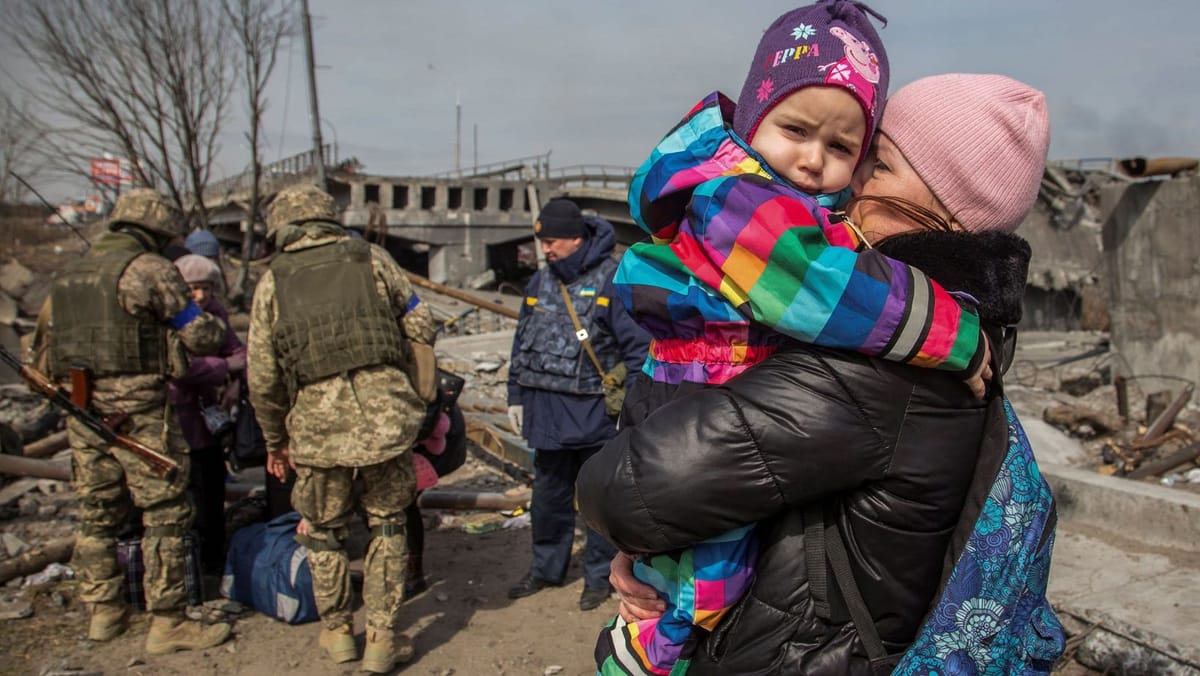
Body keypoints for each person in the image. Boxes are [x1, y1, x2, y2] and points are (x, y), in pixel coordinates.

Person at [578, 72, 1053, 675]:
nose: (846, 181)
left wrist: (641, 545)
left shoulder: (888, 363)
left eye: (876, 165)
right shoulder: (959, 327)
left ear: (945, 206)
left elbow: (623, 491)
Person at [31, 188, 232, 654]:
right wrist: (214, 328)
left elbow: (41, 354)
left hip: (82, 410)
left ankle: (104, 613)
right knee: (164, 512)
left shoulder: (67, 275)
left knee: (98, 511)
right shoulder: (150, 270)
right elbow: (200, 335)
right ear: (157, 233)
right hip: (140, 413)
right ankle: (168, 622)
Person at [247, 183, 437, 673]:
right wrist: (412, 394)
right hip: (385, 421)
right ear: (328, 217)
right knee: (389, 525)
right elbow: (421, 322)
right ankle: (381, 639)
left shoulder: (273, 282)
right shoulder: (371, 260)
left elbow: (262, 378)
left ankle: (337, 635)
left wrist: (275, 441)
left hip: (316, 431)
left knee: (324, 534)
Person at [505, 198, 651, 611]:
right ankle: (545, 568)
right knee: (548, 497)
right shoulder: (539, 282)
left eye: (552, 242)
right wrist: (515, 395)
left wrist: (632, 412)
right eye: (542, 242)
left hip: (593, 415)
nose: (545, 250)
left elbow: (638, 350)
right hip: (545, 411)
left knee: (597, 501)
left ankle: (598, 576)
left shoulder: (610, 280)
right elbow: (522, 342)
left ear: (576, 238)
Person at [167, 254, 246, 574]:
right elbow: (179, 369)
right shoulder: (169, 318)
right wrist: (224, 368)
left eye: (205, 288)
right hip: (177, 418)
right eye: (192, 289)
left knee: (211, 490)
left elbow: (238, 350)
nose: (199, 296)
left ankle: (213, 560)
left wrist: (237, 382)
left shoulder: (215, 314)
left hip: (209, 419)